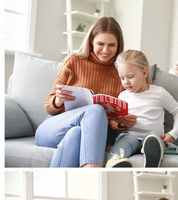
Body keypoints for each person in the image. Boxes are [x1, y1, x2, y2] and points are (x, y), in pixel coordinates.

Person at [35, 17, 138, 168]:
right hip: (54, 128)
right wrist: (58, 101)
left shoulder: (121, 73)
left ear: (118, 45)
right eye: (100, 44)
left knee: (77, 133)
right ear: (91, 40)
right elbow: (48, 105)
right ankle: (92, 168)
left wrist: (121, 122)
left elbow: (112, 119)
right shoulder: (74, 61)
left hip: (86, 134)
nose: (105, 50)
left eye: (112, 45)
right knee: (95, 109)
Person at [105, 49, 178, 168]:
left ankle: (152, 158)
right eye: (122, 78)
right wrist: (121, 124)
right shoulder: (122, 96)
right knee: (123, 143)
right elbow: (116, 122)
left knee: (152, 138)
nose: (126, 82)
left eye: (130, 77)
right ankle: (114, 162)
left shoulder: (159, 93)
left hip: (151, 138)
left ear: (144, 73)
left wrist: (173, 134)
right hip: (129, 136)